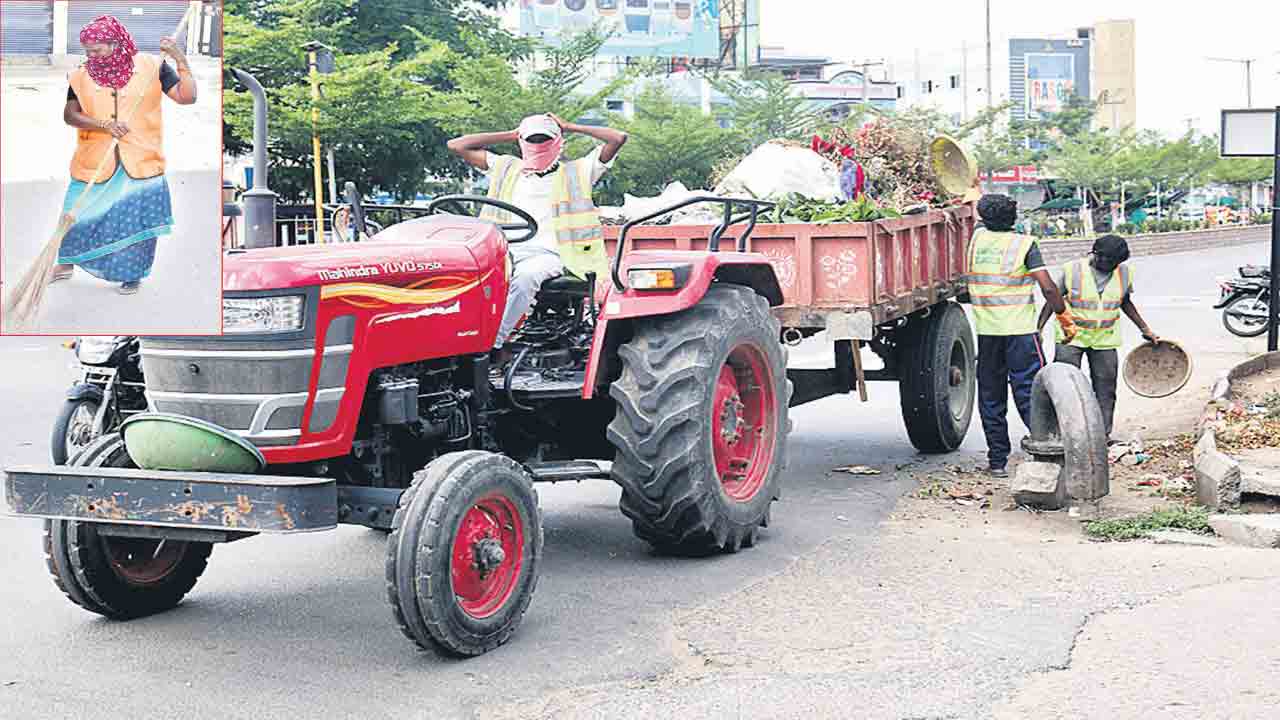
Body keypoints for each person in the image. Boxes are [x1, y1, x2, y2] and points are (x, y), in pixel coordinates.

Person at [447, 113, 627, 361]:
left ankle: (492, 347)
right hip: (505, 250)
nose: (538, 145)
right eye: (532, 140)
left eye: (544, 139)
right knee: (460, 275)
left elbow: (617, 138)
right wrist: (512, 134)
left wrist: (569, 126)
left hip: (553, 253)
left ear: (558, 141)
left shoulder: (578, 172)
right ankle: (451, 343)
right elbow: (456, 145)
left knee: (526, 277)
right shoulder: (506, 168)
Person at [52, 15, 197, 296]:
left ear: (115, 43)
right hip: (94, 158)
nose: (92, 56)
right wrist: (103, 124)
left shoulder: (152, 66)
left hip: (142, 158)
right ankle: (66, 263)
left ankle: (132, 274)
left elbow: (186, 97)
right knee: (75, 213)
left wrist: (180, 59)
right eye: (88, 51)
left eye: (97, 49)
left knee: (137, 221)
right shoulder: (80, 75)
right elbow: (70, 115)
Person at [966, 194, 1076, 478]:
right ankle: (1046, 454)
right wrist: (1064, 317)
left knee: (991, 397)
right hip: (1022, 334)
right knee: (1031, 393)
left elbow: (976, 219)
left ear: (983, 218)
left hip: (988, 333)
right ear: (1013, 219)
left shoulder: (976, 240)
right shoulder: (1024, 244)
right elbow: (1048, 288)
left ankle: (997, 462)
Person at [1037, 235, 1157, 441]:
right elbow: (1052, 299)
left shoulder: (1124, 273)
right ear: (1095, 254)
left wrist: (1145, 328)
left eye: (1114, 262)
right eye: (1104, 259)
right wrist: (1039, 328)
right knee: (1066, 387)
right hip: (1071, 337)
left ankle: (1102, 436)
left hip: (1104, 339)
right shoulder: (1073, 270)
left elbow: (1125, 302)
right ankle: (1063, 435)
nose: (1108, 265)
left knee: (1106, 389)